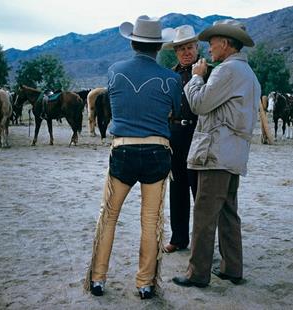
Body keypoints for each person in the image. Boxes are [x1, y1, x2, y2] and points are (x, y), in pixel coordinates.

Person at [84, 16, 182, 299]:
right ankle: (145, 283)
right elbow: (174, 110)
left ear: (133, 43)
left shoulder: (115, 71)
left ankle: (98, 278)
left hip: (123, 150)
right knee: (151, 221)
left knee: (109, 216)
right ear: (158, 47)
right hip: (157, 151)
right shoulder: (172, 79)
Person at [172, 19, 261, 288]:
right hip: (234, 154)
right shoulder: (248, 73)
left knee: (204, 215)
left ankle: (197, 273)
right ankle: (232, 268)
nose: (208, 48)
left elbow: (199, 103)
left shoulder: (226, 71)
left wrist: (197, 77)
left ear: (224, 43)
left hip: (216, 154)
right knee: (228, 213)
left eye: (211, 43)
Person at [162, 25, 212, 254]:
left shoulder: (208, 72)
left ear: (197, 47)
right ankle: (179, 238)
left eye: (189, 47)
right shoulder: (170, 76)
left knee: (200, 193)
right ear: (175, 52)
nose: (186, 52)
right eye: (181, 48)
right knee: (177, 189)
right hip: (175, 136)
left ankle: (203, 245)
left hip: (199, 135)